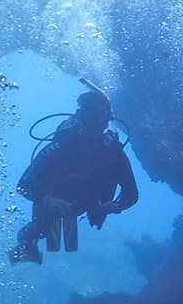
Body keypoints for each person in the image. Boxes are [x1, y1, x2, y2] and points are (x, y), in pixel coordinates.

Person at [10, 89, 138, 264]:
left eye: (98, 117)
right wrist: (47, 200)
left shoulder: (114, 154)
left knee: (44, 226)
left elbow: (132, 194)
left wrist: (116, 206)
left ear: (106, 122)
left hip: (91, 204)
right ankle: (26, 244)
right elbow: (23, 184)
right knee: (41, 227)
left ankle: (33, 236)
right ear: (80, 118)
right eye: (89, 117)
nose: (93, 125)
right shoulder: (61, 146)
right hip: (55, 201)